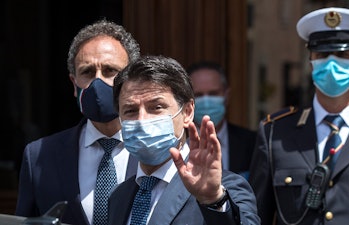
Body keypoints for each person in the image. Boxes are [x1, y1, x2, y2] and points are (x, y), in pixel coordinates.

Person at [248, 7, 349, 225]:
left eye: (343, 55)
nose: (331, 64)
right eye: (322, 55)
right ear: (310, 61)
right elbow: (255, 217)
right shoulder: (275, 133)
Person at [108, 55, 260, 225]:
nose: (142, 119)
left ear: (187, 112)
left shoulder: (225, 188)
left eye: (156, 107)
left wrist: (213, 200)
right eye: (130, 111)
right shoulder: (119, 196)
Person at [15, 19, 140, 225]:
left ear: (132, 79)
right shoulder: (39, 155)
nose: (98, 81)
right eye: (88, 72)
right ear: (74, 84)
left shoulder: (159, 148)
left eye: (110, 71)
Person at [187, 61, 257, 179]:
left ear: (226, 95)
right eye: (198, 95)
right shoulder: (177, 144)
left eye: (213, 93)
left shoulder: (252, 142)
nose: (207, 101)